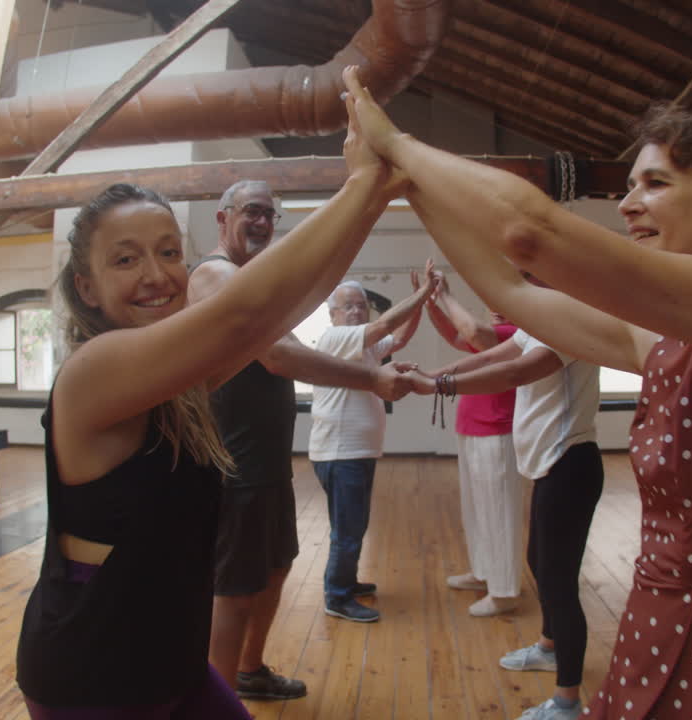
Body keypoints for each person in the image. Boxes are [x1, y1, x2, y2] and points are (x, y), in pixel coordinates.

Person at [341, 65, 692, 720]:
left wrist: (396, 144)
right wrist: (406, 186)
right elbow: (511, 292)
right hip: (659, 609)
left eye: (655, 184)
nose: (628, 204)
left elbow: (528, 235)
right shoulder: (659, 336)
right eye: (630, 186)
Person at [15, 101, 406, 719]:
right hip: (95, 674)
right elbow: (245, 316)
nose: (157, 275)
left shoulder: (175, 380)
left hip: (167, 656)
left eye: (169, 252)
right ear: (85, 286)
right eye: (125, 259)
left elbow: (280, 310)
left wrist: (377, 193)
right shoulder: (94, 371)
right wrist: (361, 184)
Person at [188, 180, 413, 701]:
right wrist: (372, 379)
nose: (262, 222)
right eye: (252, 211)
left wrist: (362, 213)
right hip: (235, 466)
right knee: (235, 590)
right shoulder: (215, 275)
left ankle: (249, 671)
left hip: (267, 465)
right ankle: (216, 704)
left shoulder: (257, 283)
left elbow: (304, 308)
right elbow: (278, 356)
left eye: (270, 214)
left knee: (275, 568)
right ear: (223, 218)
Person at [406, 270, 602, 719]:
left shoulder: (573, 322)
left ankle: (567, 701)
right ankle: (549, 647)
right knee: (539, 562)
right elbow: (492, 357)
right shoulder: (538, 325)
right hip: (552, 465)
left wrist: (436, 385)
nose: (522, 286)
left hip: (570, 464)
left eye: (531, 276)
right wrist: (429, 374)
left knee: (558, 582)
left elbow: (514, 372)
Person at [309, 276, 432, 622]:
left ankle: (345, 582)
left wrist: (420, 302)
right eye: (347, 306)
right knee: (347, 529)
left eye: (361, 305)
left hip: (357, 452)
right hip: (340, 454)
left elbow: (400, 336)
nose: (355, 311)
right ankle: (337, 596)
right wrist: (421, 293)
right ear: (332, 314)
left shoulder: (364, 347)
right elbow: (384, 326)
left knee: (353, 525)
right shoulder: (335, 339)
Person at [414, 263, 524, 618]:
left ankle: (504, 591)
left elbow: (473, 332)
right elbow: (457, 337)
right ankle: (483, 572)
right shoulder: (497, 333)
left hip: (498, 430)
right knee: (477, 510)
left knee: (499, 512)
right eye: (492, 299)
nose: (496, 307)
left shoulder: (519, 333)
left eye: (503, 299)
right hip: (474, 427)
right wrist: (430, 302)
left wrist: (445, 295)